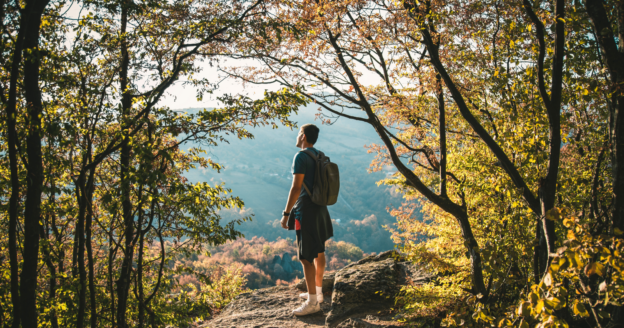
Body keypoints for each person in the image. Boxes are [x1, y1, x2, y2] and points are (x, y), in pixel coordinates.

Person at [280, 123, 333, 316]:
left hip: (306, 211)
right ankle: (317, 293)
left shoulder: (301, 156)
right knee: (319, 250)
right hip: (321, 208)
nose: (296, 137)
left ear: (303, 136)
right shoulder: (319, 155)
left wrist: (286, 214)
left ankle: (312, 303)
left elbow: (296, 187)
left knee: (305, 257)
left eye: (298, 133)